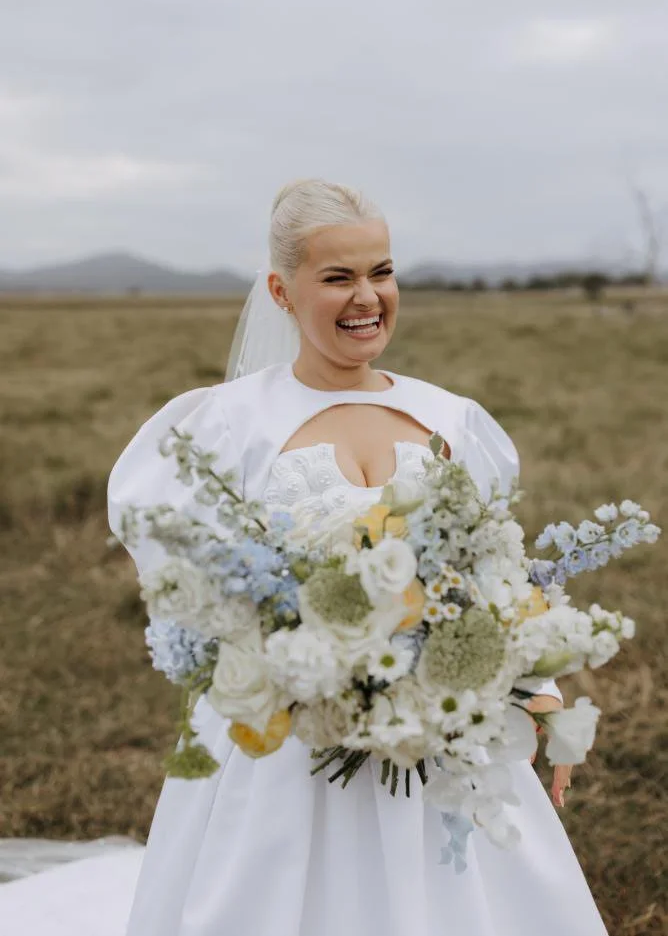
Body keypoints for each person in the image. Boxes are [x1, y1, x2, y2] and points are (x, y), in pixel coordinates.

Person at [105, 178, 609, 936]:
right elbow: (193, 594)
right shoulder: (224, 426)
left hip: (440, 742)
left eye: (381, 271)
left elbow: (490, 580)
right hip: (289, 753)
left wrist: (535, 686)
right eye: (337, 277)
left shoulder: (454, 419)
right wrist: (306, 661)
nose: (366, 297)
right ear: (281, 290)